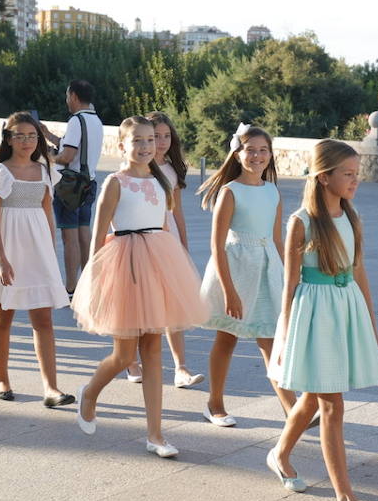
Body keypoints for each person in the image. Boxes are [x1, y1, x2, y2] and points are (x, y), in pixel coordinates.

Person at [266, 140, 378, 501]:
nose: (355, 181)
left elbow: (360, 268)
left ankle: (279, 454)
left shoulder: (352, 217)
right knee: (332, 403)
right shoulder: (300, 221)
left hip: (345, 307)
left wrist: (369, 318)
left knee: (315, 395)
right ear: (324, 177)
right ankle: (346, 499)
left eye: (356, 174)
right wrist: (284, 335)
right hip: (315, 311)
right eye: (348, 174)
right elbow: (289, 284)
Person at [72, 115, 208, 457]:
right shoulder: (115, 183)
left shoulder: (162, 182)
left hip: (157, 263)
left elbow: (162, 227)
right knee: (123, 355)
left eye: (151, 140)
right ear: (122, 146)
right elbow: (98, 235)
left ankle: (156, 435)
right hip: (123, 267)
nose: (146, 146)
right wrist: (95, 279)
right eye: (138, 141)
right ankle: (90, 392)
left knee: (153, 351)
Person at [0, 113, 75, 405]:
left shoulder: (45, 171)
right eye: (20, 135)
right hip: (6, 246)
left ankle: (51, 388)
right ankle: (2, 379)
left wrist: (51, 252)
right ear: (8, 138)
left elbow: (48, 212)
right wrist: (1, 258)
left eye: (32, 135)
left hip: (37, 248)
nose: (26, 141)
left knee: (44, 318)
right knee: (3, 315)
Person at [195, 123, 296, 427]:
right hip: (236, 271)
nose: (257, 155)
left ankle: (292, 408)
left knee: (271, 341)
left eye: (263, 150)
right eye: (250, 149)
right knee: (227, 338)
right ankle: (214, 403)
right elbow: (216, 243)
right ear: (237, 153)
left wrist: (289, 277)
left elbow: (278, 240)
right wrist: (229, 290)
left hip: (267, 272)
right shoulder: (230, 192)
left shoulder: (272, 191)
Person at [125, 111, 206, 388]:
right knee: (142, 300)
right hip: (141, 236)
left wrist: (183, 244)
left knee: (171, 301)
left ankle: (180, 367)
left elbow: (177, 210)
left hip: (166, 237)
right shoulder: (137, 169)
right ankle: (132, 360)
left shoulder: (171, 170)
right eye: (155, 136)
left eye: (165, 136)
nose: (160, 142)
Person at [47, 80, 102, 293]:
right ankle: (87, 285)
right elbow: (73, 145)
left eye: (68, 96)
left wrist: (51, 156)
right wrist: (48, 135)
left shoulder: (76, 120)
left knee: (69, 237)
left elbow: (67, 156)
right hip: (89, 181)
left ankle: (70, 287)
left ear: (74, 97)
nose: (67, 100)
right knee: (83, 232)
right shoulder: (95, 120)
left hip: (69, 185)